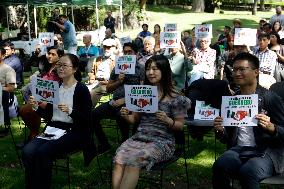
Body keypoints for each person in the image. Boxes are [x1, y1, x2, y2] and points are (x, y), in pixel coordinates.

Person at [112, 55, 190, 189]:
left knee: (133, 161)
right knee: (119, 158)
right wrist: (125, 115)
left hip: (162, 141)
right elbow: (134, 119)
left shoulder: (176, 98)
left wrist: (168, 120)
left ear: (164, 71)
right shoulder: (143, 93)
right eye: (148, 69)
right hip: (139, 138)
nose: (150, 72)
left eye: (155, 69)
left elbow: (179, 126)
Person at [22, 54, 96, 189]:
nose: (60, 68)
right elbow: (49, 116)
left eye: (64, 65)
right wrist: (36, 106)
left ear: (74, 69)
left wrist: (71, 111)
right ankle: (32, 185)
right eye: (59, 65)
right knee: (28, 150)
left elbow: (87, 119)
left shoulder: (81, 89)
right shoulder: (55, 87)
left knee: (43, 152)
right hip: (53, 128)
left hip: (74, 131)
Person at [212, 52, 284, 189]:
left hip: (266, 151)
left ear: (256, 72)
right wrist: (220, 130)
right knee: (220, 165)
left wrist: (272, 128)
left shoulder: (270, 98)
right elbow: (226, 137)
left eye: (242, 69)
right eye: (234, 69)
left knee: (249, 171)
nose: (237, 73)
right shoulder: (232, 101)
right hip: (238, 150)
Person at [92, 42, 144, 154]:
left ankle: (125, 141)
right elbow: (108, 89)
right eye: (125, 52)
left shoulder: (141, 69)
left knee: (121, 114)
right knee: (93, 115)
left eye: (130, 52)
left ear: (136, 54)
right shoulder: (118, 68)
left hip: (132, 103)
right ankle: (104, 144)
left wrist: (125, 100)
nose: (127, 54)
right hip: (114, 101)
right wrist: (119, 81)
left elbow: (142, 92)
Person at [19, 46, 64, 139]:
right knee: (23, 110)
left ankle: (34, 134)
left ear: (60, 56)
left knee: (27, 110)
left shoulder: (61, 70)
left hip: (50, 101)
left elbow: (59, 88)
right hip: (40, 96)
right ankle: (35, 132)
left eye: (53, 54)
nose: (49, 56)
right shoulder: (48, 66)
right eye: (49, 54)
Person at [87, 39, 115, 107]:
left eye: (109, 47)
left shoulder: (116, 60)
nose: (106, 49)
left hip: (108, 84)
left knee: (94, 92)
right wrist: (92, 78)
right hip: (96, 82)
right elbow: (92, 72)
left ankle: (88, 110)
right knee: (81, 89)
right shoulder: (98, 59)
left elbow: (117, 79)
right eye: (105, 47)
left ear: (113, 48)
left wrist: (107, 82)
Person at [0, 47, 16, 137]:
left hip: (3, 95)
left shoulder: (8, 70)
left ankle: (5, 126)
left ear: (3, 55)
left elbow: (11, 88)